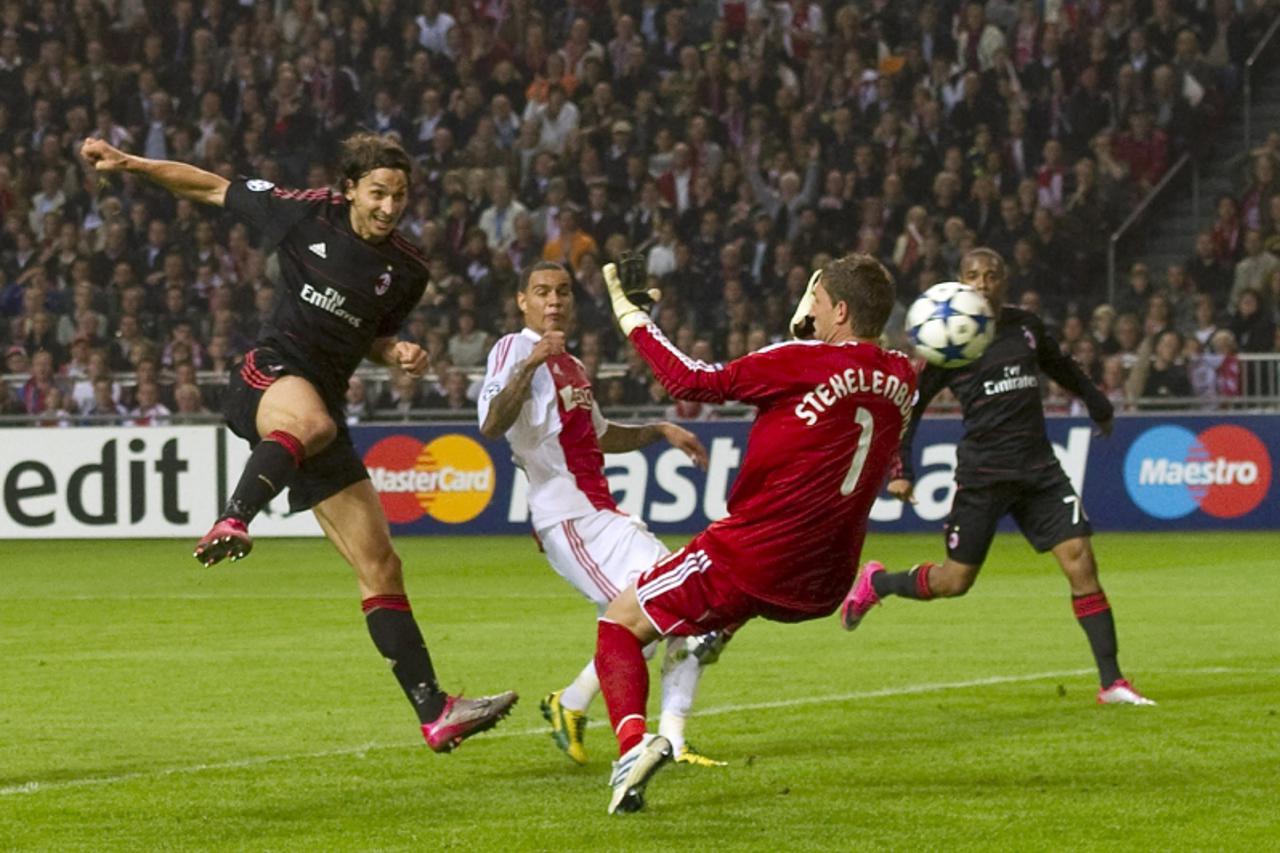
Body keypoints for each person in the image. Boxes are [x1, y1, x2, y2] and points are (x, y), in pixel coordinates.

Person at [79, 133, 517, 753]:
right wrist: (129, 164)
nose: (390, 207)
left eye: (400, 195)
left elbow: (373, 333)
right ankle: (233, 519)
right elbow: (208, 185)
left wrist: (397, 350)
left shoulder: (409, 270)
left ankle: (435, 709)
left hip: (322, 403)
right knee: (311, 426)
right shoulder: (303, 211)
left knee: (380, 563)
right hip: (266, 373)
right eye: (378, 193)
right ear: (350, 190)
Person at [592, 252, 915, 813]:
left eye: (814, 301)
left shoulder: (798, 360)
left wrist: (634, 319)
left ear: (837, 311)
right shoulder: (903, 378)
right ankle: (711, 632)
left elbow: (689, 379)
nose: (807, 310)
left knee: (619, 624)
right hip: (824, 581)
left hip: (754, 556)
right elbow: (852, 397)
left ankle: (631, 747)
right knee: (716, 609)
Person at [840, 247, 1154, 707]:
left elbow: (1061, 366)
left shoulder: (1024, 326)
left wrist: (1096, 403)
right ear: (961, 282)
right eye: (974, 276)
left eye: (992, 275)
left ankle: (1112, 683)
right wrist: (900, 469)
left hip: (1039, 469)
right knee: (954, 581)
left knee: (1081, 561)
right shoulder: (946, 340)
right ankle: (879, 583)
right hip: (984, 475)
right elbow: (908, 407)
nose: (984, 284)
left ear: (1004, 280)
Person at [477, 260, 727, 767]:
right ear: (522, 301)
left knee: (662, 616)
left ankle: (574, 705)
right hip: (567, 517)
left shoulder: (573, 366)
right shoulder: (515, 348)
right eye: (542, 292)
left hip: (598, 514)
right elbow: (490, 422)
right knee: (672, 612)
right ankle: (658, 738)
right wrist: (529, 364)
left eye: (563, 292)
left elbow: (601, 435)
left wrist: (658, 430)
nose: (554, 301)